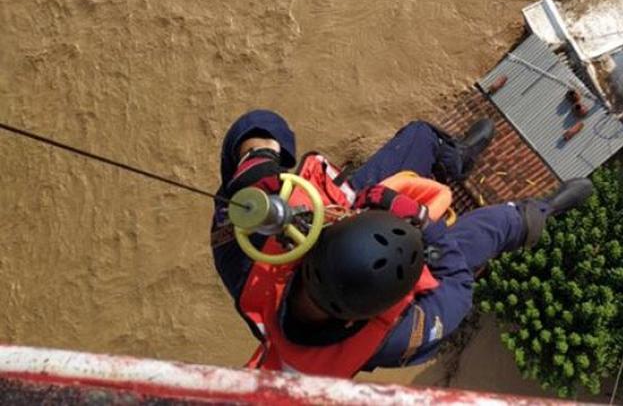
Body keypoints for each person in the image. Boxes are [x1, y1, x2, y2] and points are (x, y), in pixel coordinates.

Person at [209, 109, 592, 376]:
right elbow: (458, 288)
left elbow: (255, 125)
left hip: (353, 210)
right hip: (423, 248)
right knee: (491, 228)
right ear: (364, 317)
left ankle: (454, 160)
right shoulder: (393, 338)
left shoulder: (245, 260)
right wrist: (424, 223)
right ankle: (539, 213)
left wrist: (256, 160)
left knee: (420, 138)